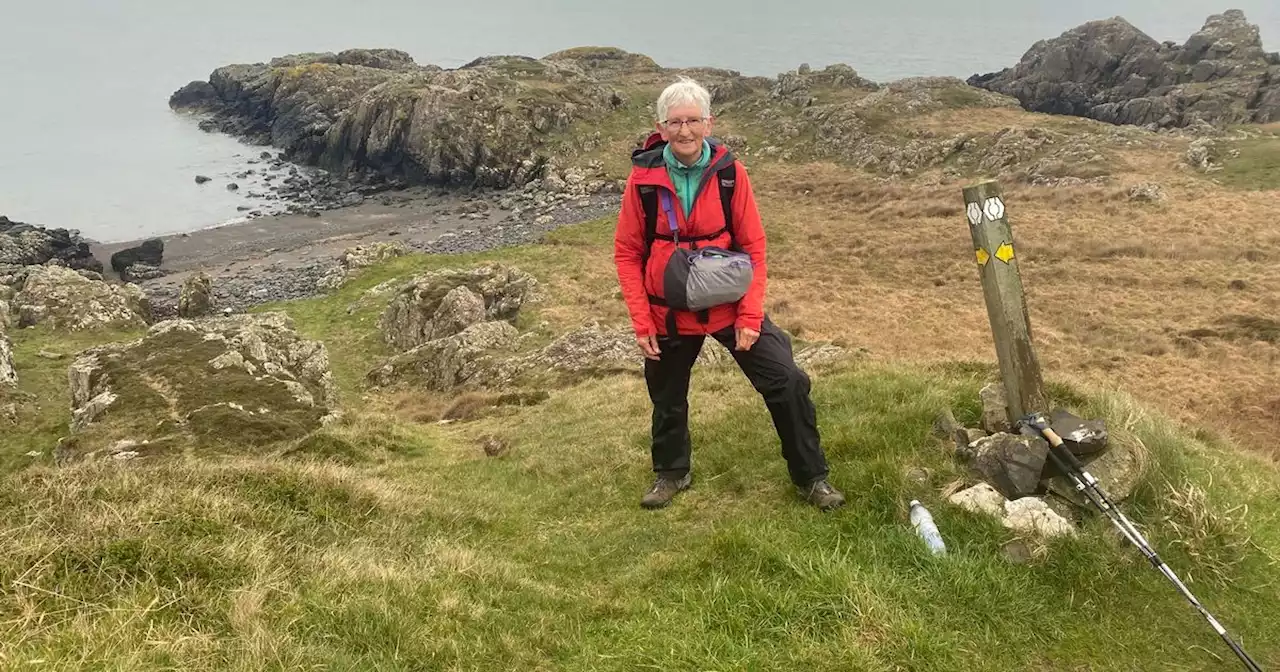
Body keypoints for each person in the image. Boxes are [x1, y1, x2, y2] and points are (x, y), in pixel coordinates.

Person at [613, 76, 846, 512]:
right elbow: (628, 252)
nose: (685, 131)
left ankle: (812, 478)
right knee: (666, 395)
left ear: (709, 122)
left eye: (693, 121)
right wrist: (642, 322)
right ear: (661, 127)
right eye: (675, 122)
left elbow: (754, 245)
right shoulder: (642, 180)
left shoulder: (728, 173)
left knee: (787, 381)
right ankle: (671, 473)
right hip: (669, 314)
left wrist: (750, 316)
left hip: (728, 306)